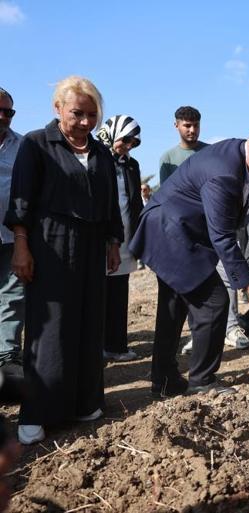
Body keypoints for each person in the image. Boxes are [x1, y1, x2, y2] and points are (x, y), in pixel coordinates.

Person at [129, 124, 249, 399]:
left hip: (170, 227)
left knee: (174, 305)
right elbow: (224, 237)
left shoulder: (238, 155)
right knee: (214, 301)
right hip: (170, 230)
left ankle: (164, 380)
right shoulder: (224, 174)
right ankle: (202, 381)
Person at [5, 76, 123, 445]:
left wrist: (112, 241)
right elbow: (21, 201)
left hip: (91, 245)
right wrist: (21, 246)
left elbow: (108, 202)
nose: (86, 122)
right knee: (50, 327)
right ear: (58, 109)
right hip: (50, 242)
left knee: (89, 321)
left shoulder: (101, 153)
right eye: (78, 114)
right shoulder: (36, 145)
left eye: (93, 115)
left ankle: (85, 401)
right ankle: (37, 412)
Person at [96, 115, 144, 362]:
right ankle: (97, 346)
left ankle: (116, 345)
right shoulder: (96, 159)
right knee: (98, 293)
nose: (128, 145)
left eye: (134, 142)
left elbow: (134, 202)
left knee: (118, 292)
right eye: (125, 139)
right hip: (99, 238)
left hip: (124, 238)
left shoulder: (132, 165)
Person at [0, 88, 24, 385]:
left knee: (13, 297)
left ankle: (7, 357)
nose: (3, 116)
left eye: (9, 112)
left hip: (12, 236)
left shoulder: (23, 146)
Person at [159, 106, 208, 185]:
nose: (192, 130)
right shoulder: (168, 158)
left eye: (196, 125)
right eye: (187, 126)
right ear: (176, 125)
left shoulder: (212, 151)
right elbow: (165, 195)